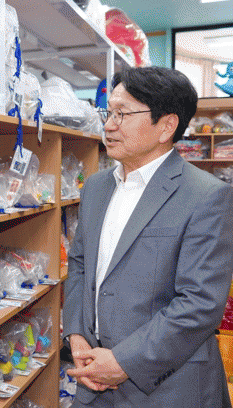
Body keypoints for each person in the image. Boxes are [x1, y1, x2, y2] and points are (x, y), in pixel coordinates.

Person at [63, 66, 233, 408]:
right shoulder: (96, 187)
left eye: (122, 114)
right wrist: (77, 333)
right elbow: (79, 264)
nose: (109, 125)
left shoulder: (206, 195)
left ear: (166, 126)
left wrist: (124, 362)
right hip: (93, 376)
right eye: (109, 113)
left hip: (168, 386)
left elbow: (200, 302)